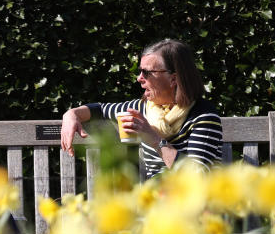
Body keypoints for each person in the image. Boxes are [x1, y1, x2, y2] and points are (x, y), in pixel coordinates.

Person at [60, 39, 223, 178]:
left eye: (147, 73)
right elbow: (99, 109)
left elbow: (197, 177)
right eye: (140, 71)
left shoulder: (203, 115)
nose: (139, 79)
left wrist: (154, 138)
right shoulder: (143, 108)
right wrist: (71, 115)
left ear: (173, 79)